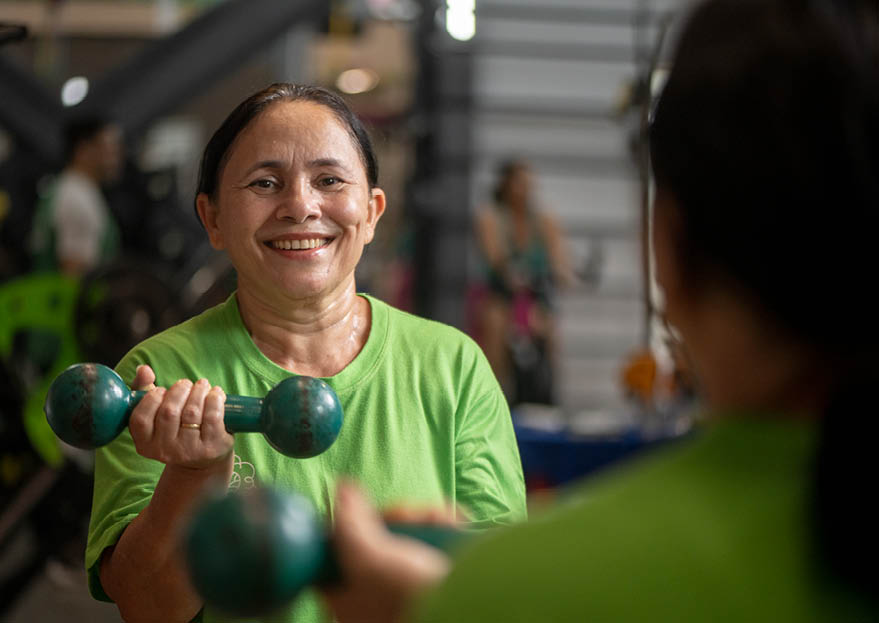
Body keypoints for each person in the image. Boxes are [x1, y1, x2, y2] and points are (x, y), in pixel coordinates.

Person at [324, 0, 878, 620]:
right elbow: (503, 267)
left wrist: (447, 603)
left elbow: (555, 263)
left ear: (669, 248)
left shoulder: (514, 591)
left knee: (542, 326)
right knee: (507, 322)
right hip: (507, 295)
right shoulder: (493, 219)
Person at [84, 84, 527, 623]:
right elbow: (148, 608)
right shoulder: (156, 379)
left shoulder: (452, 367)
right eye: (265, 183)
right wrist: (192, 477)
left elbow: (500, 592)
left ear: (371, 211)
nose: (300, 205)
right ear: (213, 218)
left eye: (330, 180)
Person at [473, 159, 576, 405]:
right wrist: (510, 272)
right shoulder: (491, 217)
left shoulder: (543, 220)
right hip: (502, 296)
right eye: (519, 183)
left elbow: (559, 256)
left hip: (536, 297)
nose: (526, 189)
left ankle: (546, 398)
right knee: (496, 331)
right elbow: (495, 256)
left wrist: (563, 272)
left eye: (529, 184)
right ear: (506, 185)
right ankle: (492, 401)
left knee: (548, 334)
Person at [30, 116, 122, 275]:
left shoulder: (69, 188)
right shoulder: (75, 197)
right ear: (83, 150)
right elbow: (74, 274)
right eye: (110, 149)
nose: (116, 159)